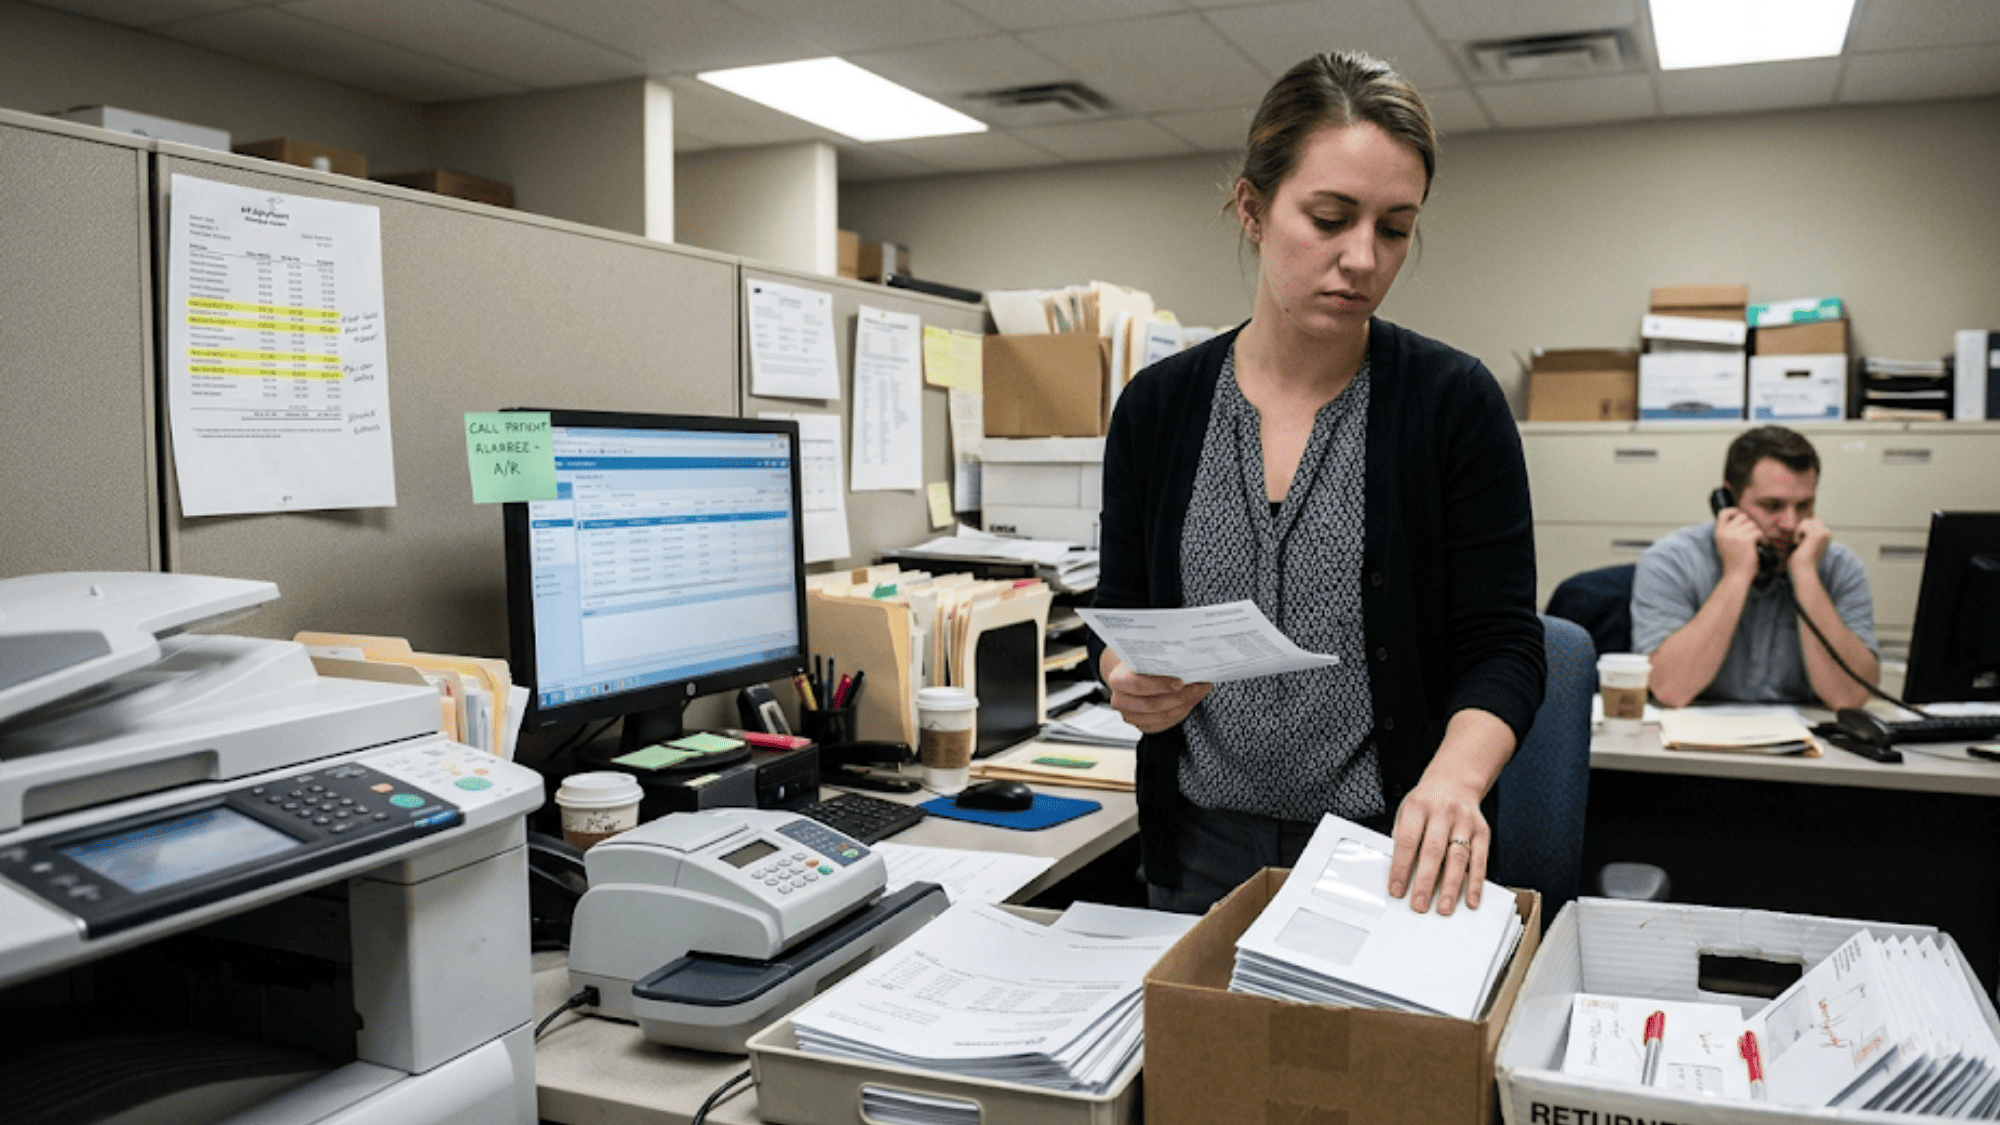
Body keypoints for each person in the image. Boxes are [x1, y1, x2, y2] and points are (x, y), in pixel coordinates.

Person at [1092, 51, 1545, 918]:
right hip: (1197, 847)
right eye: (1330, 217)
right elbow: (1122, 612)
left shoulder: (1452, 403)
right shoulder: (1159, 407)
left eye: (1395, 227)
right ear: (1253, 209)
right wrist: (1129, 675)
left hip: (1391, 850)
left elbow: (1505, 646)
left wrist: (1453, 780)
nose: (1363, 258)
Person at [1631, 425, 1879, 710]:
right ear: (1729, 500)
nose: (1790, 524)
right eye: (1772, 506)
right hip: (1697, 738)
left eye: (1804, 506)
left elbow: (1848, 697)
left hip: (1811, 742)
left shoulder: (1840, 568)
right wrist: (1736, 575)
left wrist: (1806, 574)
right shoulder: (1670, 561)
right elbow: (1670, 689)